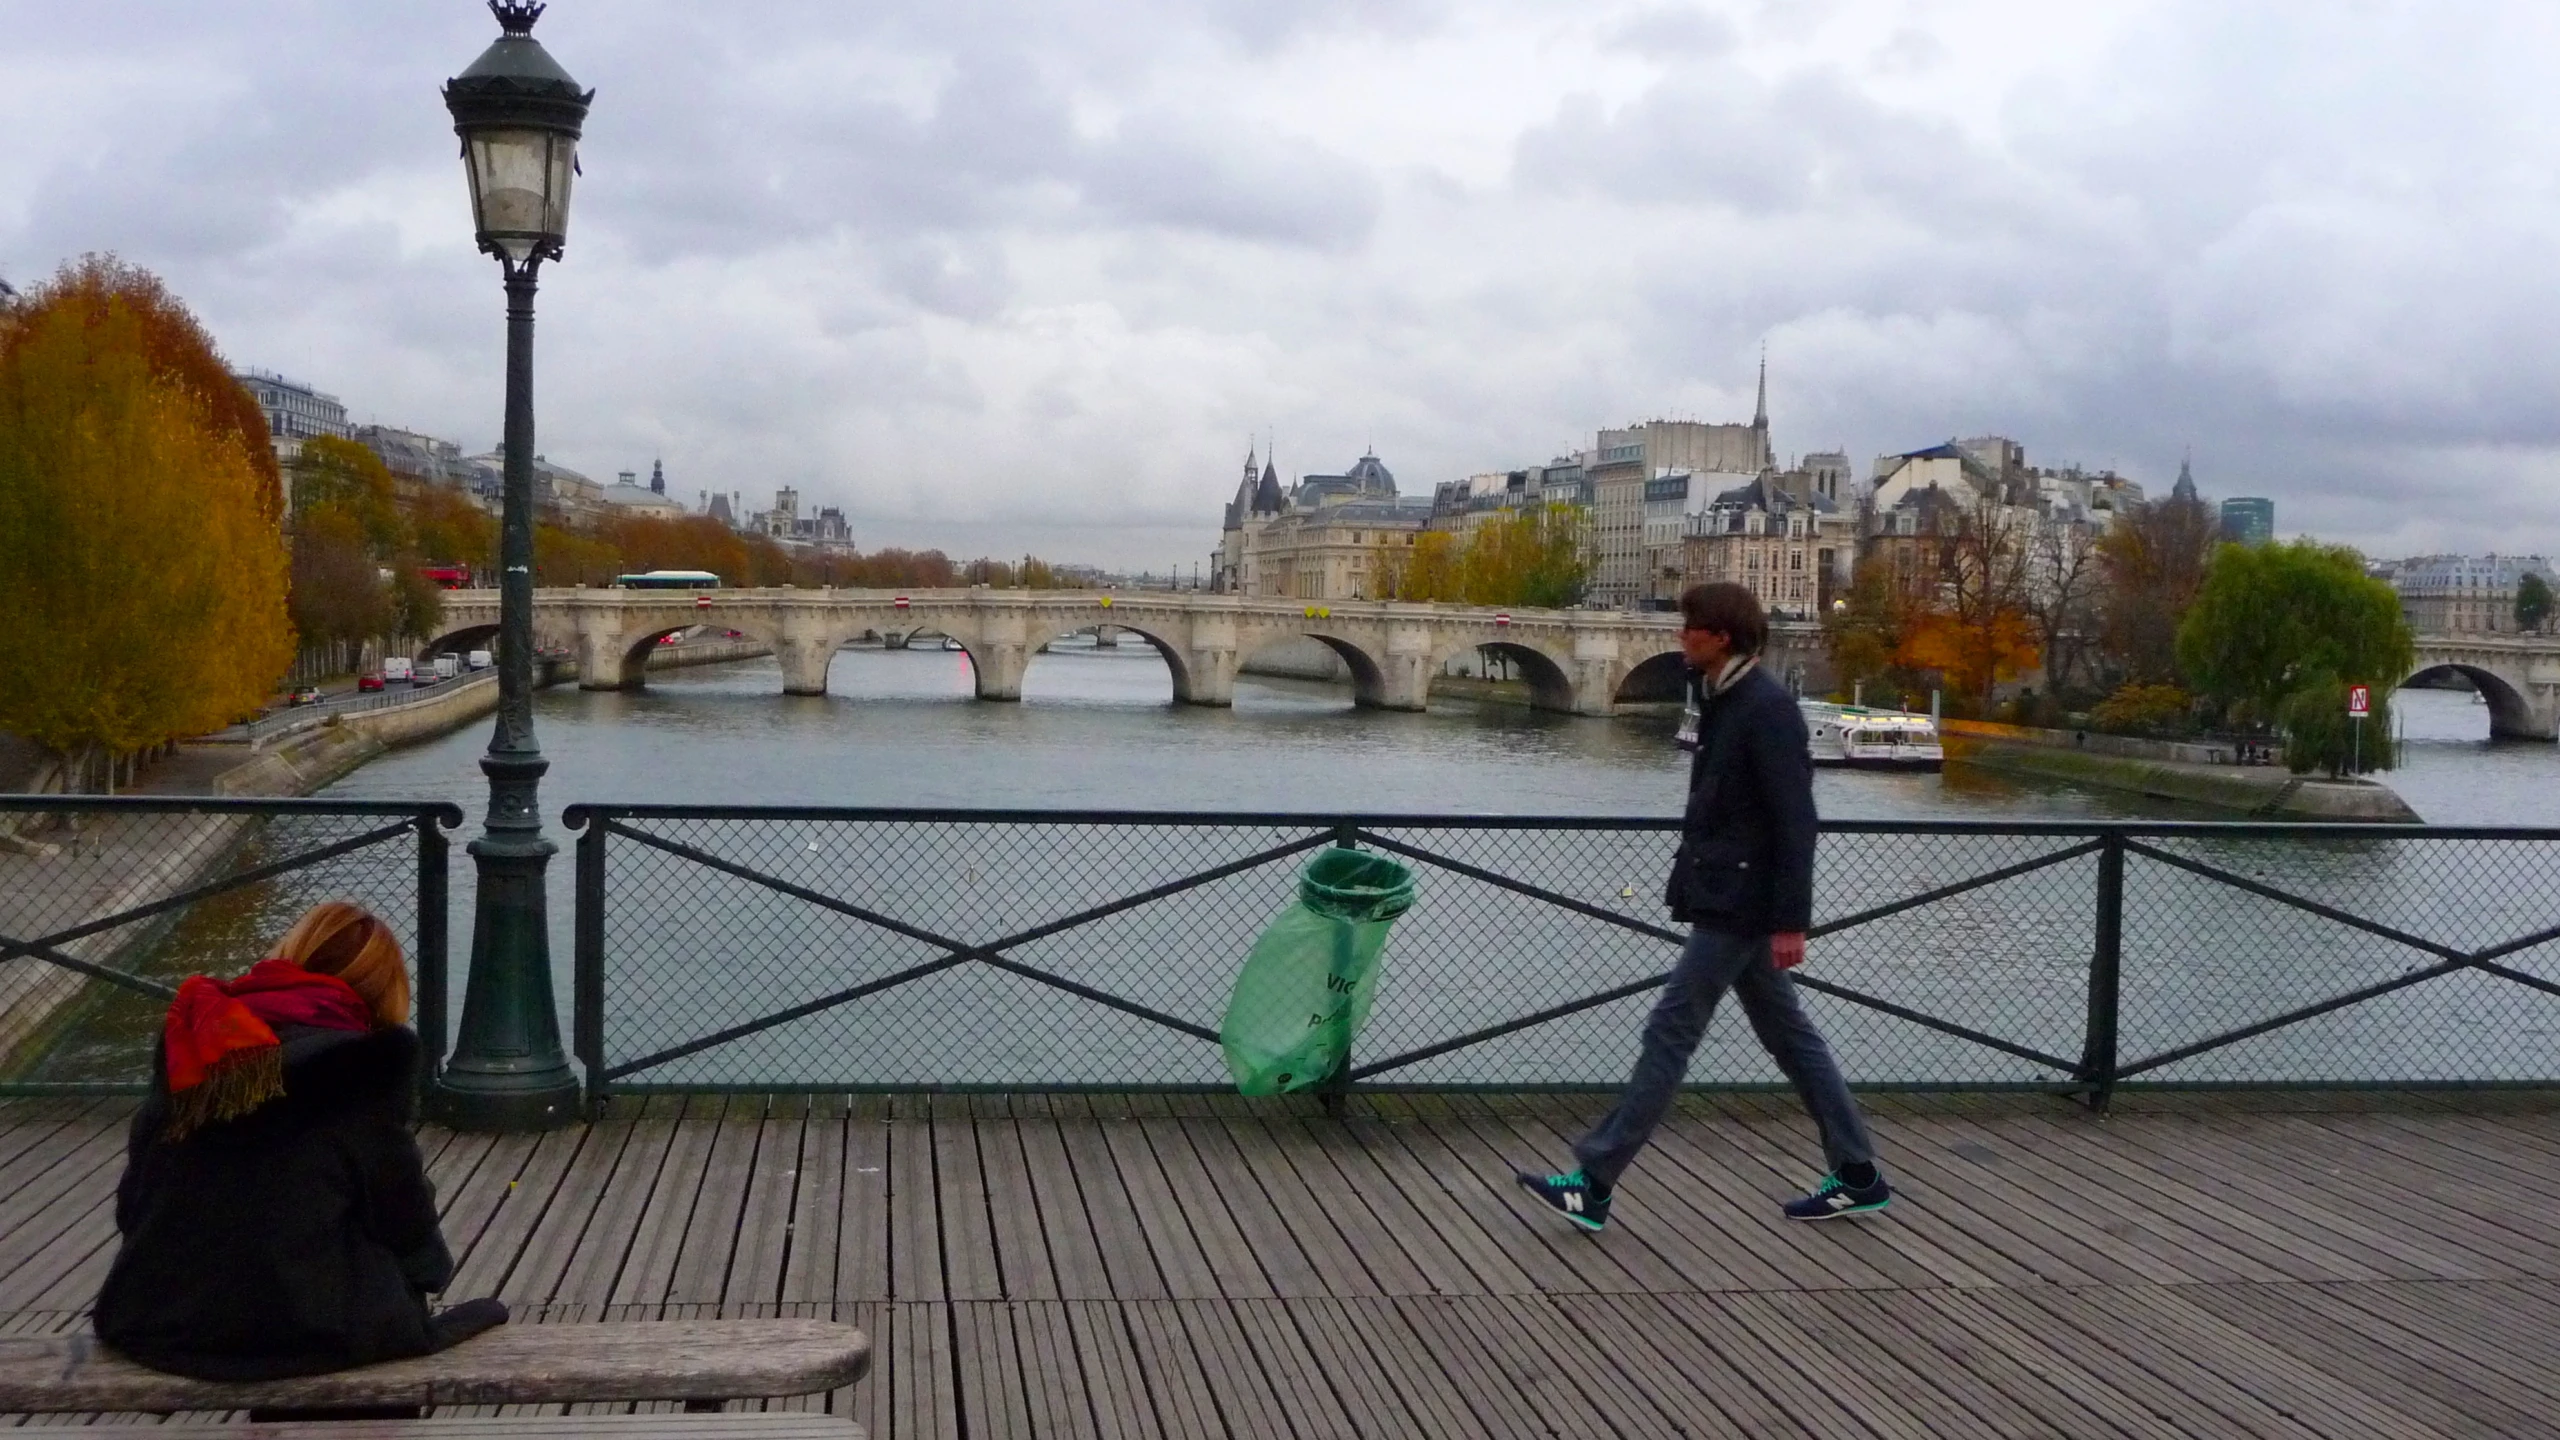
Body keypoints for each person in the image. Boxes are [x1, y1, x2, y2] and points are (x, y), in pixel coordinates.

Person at [1518, 582, 1889, 1231]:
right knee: (1790, 1037)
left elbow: (1796, 820)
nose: (1678, 635)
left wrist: (1790, 919)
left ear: (1720, 635)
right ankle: (1858, 1172)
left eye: (1690, 626)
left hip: (1740, 903)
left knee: (1671, 1030)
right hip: (1726, 891)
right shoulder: (1725, 698)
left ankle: (1596, 1180)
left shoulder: (1764, 708)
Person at [95, 901, 508, 1382]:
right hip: (314, 1328)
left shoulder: (198, 1040)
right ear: (381, 990)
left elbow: (133, 1202)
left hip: (158, 1323)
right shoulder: (362, 1067)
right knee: (356, 1328)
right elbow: (401, 1214)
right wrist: (426, 1276)